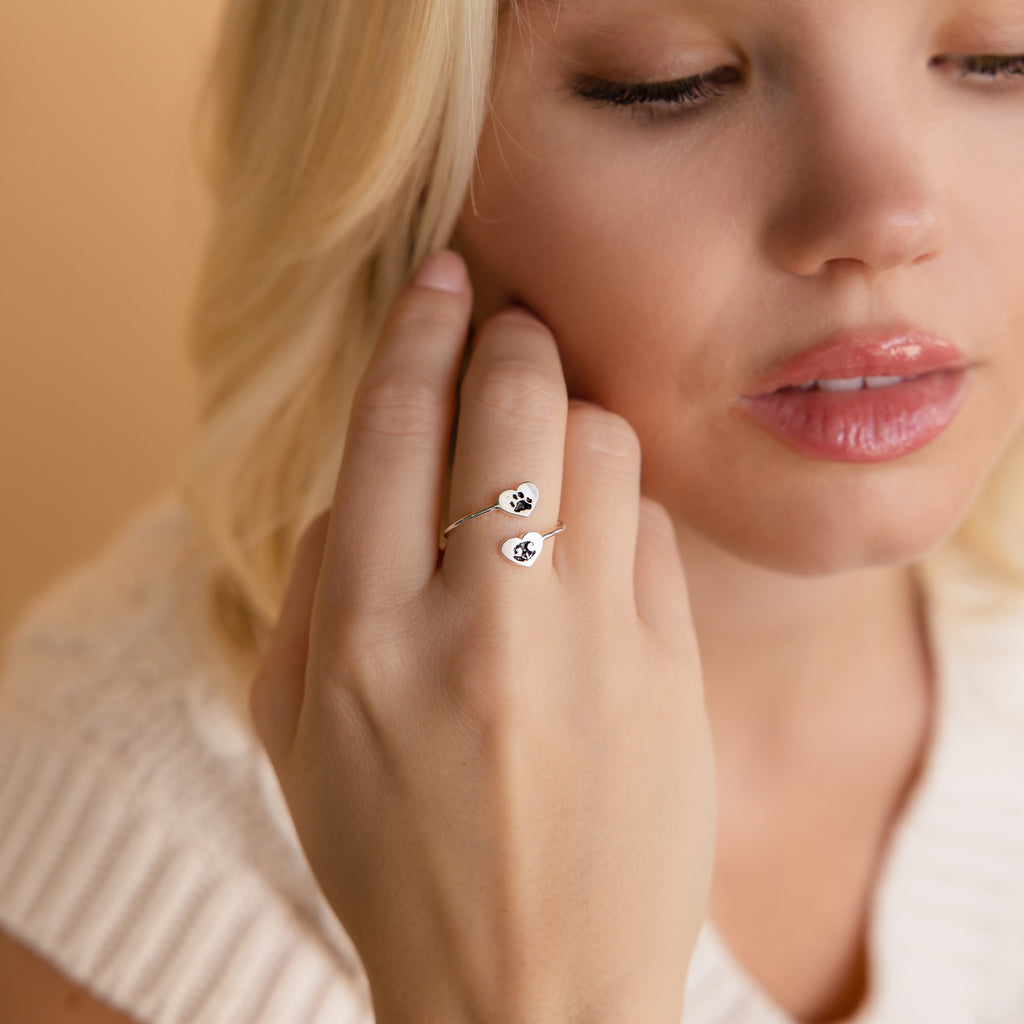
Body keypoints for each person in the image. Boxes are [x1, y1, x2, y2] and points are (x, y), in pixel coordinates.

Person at [3, 0, 1024, 1020]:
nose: (886, 219)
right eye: (670, 82)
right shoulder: (123, 837)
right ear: (405, 159)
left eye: (995, 60)